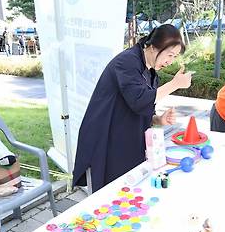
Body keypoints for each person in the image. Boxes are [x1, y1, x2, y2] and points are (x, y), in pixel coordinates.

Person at [72, 24, 192, 192]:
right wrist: (174, 84)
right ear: (152, 47)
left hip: (127, 139)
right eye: (169, 55)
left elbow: (141, 108)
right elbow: (139, 100)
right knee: (109, 194)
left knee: (130, 193)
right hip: (107, 138)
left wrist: (158, 120)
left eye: (174, 56)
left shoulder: (150, 73)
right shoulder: (127, 61)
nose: (170, 61)